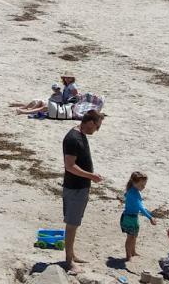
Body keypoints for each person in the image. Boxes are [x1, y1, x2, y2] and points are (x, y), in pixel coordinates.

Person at [62, 109, 106, 274]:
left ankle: (72, 254)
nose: (97, 130)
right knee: (72, 225)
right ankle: (69, 262)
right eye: (97, 126)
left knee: (75, 222)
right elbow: (70, 166)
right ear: (90, 123)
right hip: (75, 188)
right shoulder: (73, 139)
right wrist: (91, 176)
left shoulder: (80, 134)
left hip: (80, 187)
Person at [121, 172, 156, 261]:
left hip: (134, 217)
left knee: (134, 235)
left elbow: (139, 205)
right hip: (129, 218)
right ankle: (128, 255)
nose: (143, 187)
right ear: (134, 183)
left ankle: (133, 251)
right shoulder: (133, 193)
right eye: (141, 185)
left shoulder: (135, 191)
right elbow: (140, 207)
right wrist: (150, 217)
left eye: (144, 185)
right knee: (130, 237)